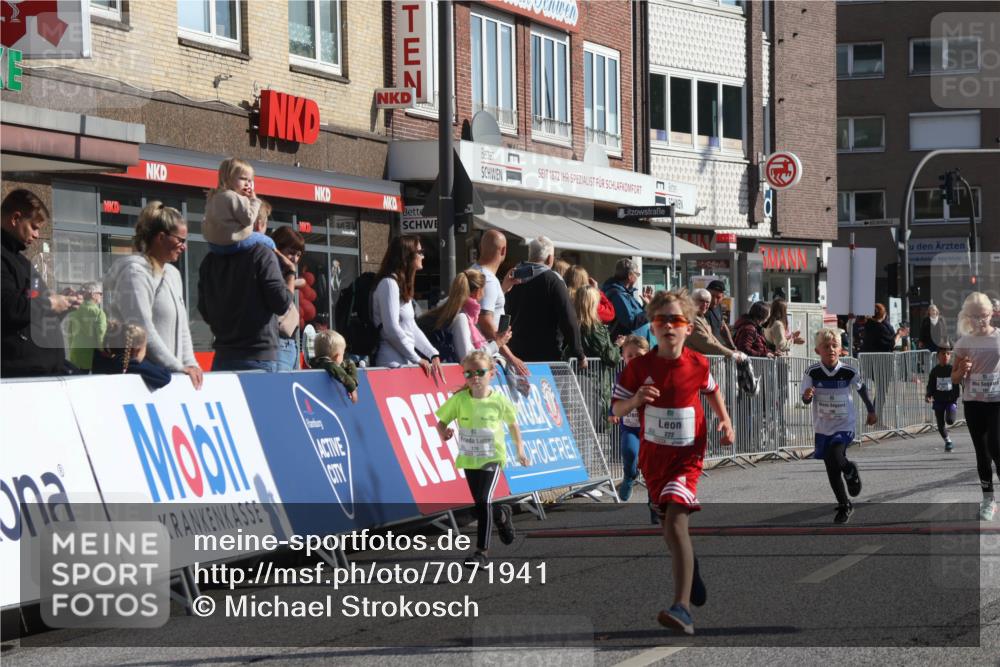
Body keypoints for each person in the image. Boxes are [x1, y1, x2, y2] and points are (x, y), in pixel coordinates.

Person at [611, 290, 735, 636]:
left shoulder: (698, 363)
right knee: (668, 527)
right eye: (661, 320)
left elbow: (711, 390)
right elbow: (616, 409)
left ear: (688, 327)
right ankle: (691, 567)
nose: (668, 325)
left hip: (687, 457)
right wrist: (636, 399)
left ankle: (682, 609)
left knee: (677, 518)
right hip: (654, 460)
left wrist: (725, 420)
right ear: (652, 326)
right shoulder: (639, 368)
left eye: (676, 320)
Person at [435, 350, 529, 567]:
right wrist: (444, 433)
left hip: (492, 457)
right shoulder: (459, 400)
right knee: (480, 503)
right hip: (469, 458)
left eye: (480, 372)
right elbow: (441, 422)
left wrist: (520, 451)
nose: (474, 377)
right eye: (468, 373)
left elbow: (513, 425)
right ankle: (501, 515)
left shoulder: (498, 400)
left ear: (491, 374)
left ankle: (482, 553)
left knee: (484, 500)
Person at [103, 201, 202, 388]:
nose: (184, 246)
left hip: (168, 378)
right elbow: (143, 329)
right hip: (141, 383)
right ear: (161, 237)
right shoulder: (134, 273)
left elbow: (183, 329)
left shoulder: (173, 274)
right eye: (180, 240)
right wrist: (177, 367)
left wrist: (190, 364)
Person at [198, 213, 294, 372]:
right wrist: (290, 273)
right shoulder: (262, 254)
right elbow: (282, 304)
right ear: (258, 224)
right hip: (258, 356)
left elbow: (205, 311)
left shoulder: (210, 260)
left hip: (223, 355)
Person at [801, 329, 878, 524]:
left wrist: (871, 410)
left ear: (840, 349)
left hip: (844, 424)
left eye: (834, 346)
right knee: (831, 467)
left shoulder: (848, 371)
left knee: (836, 454)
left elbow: (862, 389)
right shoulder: (812, 372)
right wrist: (807, 396)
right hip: (823, 427)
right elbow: (805, 398)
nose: (831, 350)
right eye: (826, 346)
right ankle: (845, 505)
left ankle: (850, 470)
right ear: (818, 350)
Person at [1, 189, 80, 377]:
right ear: (15, 219)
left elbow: (32, 306)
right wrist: (49, 303)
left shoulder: (21, 261)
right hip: (21, 376)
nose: (37, 235)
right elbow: (8, 307)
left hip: (44, 371)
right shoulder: (5, 258)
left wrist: (61, 305)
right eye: (34, 227)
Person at [951, 292, 1000, 522]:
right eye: (975, 316)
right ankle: (988, 499)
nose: (981, 320)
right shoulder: (964, 342)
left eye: (984, 315)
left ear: (992, 313)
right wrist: (962, 370)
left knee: (996, 447)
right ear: (968, 317)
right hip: (973, 403)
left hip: (996, 402)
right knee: (982, 453)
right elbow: (954, 377)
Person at [506, 236, 586, 366]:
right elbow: (568, 317)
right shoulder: (553, 280)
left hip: (515, 354)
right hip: (546, 356)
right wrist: (579, 353)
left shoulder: (512, 277)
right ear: (550, 258)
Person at [372, 235, 442, 377]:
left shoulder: (401, 285)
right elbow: (391, 329)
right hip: (391, 363)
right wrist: (417, 358)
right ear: (407, 256)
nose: (423, 256)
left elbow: (411, 327)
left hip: (405, 361)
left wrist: (432, 353)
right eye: (420, 252)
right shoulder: (389, 284)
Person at [421, 269, 511, 362]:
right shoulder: (461, 317)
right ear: (477, 292)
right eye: (484, 290)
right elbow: (467, 357)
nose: (484, 294)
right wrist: (497, 344)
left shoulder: (452, 309)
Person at [471, 230, 527, 375]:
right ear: (503, 250)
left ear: (481, 247)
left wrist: (503, 288)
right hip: (488, 358)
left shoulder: (474, 271)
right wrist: (511, 357)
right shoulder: (488, 280)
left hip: (481, 354)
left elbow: (483, 307)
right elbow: (484, 321)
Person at [568, 285, 623, 425]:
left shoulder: (571, 325)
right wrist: (617, 345)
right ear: (593, 303)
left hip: (576, 380)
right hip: (595, 383)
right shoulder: (595, 328)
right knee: (596, 425)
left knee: (581, 423)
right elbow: (611, 358)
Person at [201, 157, 273, 254]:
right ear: (228, 179)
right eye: (243, 179)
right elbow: (248, 219)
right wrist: (254, 200)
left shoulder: (214, 196)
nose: (247, 183)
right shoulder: (235, 197)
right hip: (233, 243)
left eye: (250, 180)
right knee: (268, 241)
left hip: (214, 245)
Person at [615, 334, 649, 502]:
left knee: (651, 465)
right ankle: (629, 475)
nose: (634, 359)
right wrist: (612, 413)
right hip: (629, 426)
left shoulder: (653, 375)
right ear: (623, 357)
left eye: (639, 356)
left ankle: (656, 500)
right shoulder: (621, 377)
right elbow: (615, 398)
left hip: (651, 429)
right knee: (629, 451)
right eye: (630, 356)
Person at [92, 320, 172, 390]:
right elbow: (164, 377)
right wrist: (141, 360)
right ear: (137, 350)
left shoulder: (98, 359)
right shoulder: (127, 365)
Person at [270, 225, 306, 371]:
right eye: (291, 253)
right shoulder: (270, 270)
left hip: (291, 344)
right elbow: (284, 301)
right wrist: (290, 274)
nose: (295, 259)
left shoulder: (285, 273)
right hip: (278, 342)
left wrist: (290, 278)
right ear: (278, 249)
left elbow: (302, 282)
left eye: (298, 255)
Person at [686, 288, 747, 361]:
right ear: (692, 301)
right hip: (695, 363)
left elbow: (713, 339)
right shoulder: (692, 319)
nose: (705, 304)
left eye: (707, 302)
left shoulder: (701, 317)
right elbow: (706, 343)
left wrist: (732, 351)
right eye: (701, 301)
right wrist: (732, 354)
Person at [602, 258, 652, 342]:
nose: (637, 278)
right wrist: (649, 310)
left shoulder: (624, 293)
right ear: (630, 275)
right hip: (629, 345)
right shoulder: (618, 295)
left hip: (635, 343)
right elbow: (631, 322)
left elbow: (636, 316)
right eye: (637, 274)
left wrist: (646, 306)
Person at [65, 282, 107, 372]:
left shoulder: (74, 310)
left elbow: (69, 333)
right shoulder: (99, 313)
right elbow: (101, 335)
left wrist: (71, 348)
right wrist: (104, 352)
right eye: (100, 293)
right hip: (91, 355)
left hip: (75, 352)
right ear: (93, 294)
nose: (101, 296)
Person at [309, 329, 359, 404]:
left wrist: (353, 381)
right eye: (343, 354)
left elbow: (349, 362)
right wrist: (351, 387)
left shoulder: (329, 364)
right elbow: (331, 366)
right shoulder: (325, 364)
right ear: (337, 356)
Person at [925, 345, 960, 452]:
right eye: (943, 354)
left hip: (950, 400)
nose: (946, 356)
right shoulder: (935, 371)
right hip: (938, 400)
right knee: (940, 424)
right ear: (938, 356)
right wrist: (928, 395)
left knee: (950, 420)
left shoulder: (952, 369)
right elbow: (930, 385)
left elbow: (960, 381)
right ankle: (948, 441)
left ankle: (952, 409)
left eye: (948, 354)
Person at [704, 280, 736, 350]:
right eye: (712, 296)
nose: (714, 300)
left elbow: (723, 327)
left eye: (718, 297)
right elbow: (707, 335)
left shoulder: (718, 307)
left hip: (715, 349)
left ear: (723, 297)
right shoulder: (701, 309)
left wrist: (733, 347)